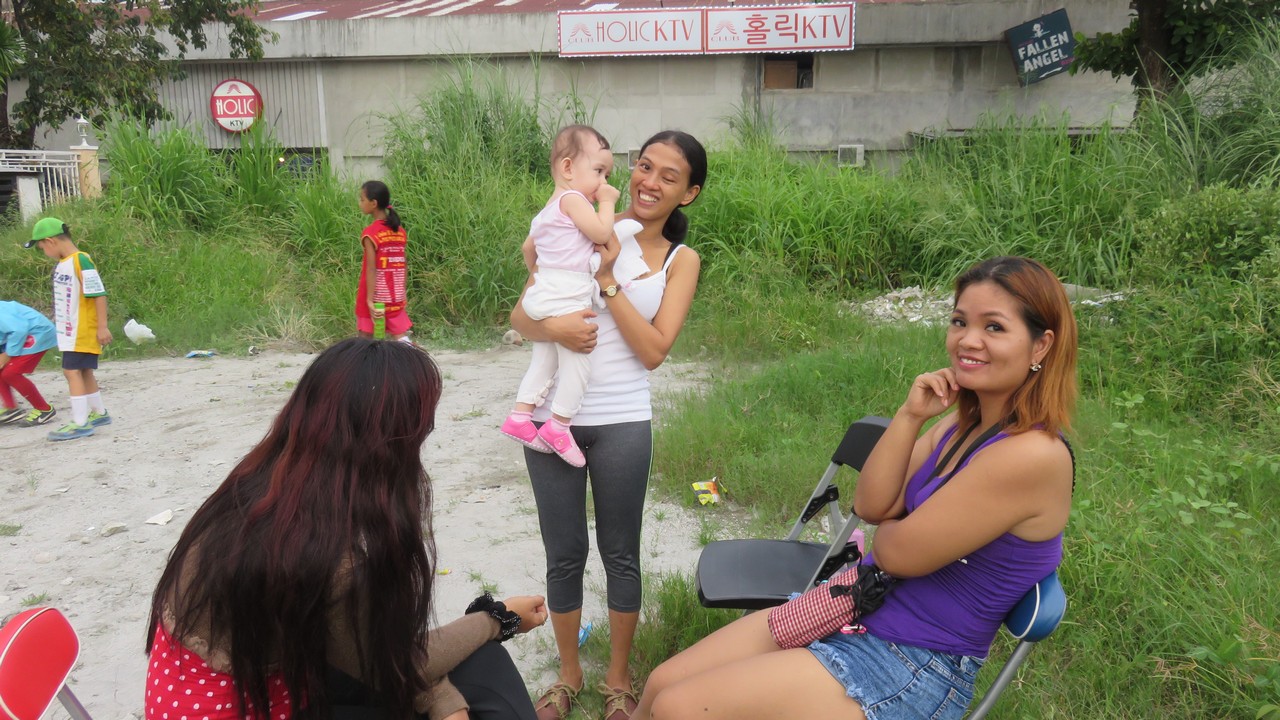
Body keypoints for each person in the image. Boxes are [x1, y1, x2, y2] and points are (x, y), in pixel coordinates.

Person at [633, 256, 1078, 720]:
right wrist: (910, 416)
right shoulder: (963, 424)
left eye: (994, 327)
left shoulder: (1030, 455)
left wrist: (897, 524)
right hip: (854, 605)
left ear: (1041, 345)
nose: (968, 340)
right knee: (662, 683)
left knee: (679, 709)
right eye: (959, 321)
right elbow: (870, 504)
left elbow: (894, 553)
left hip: (912, 664)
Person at [145, 338, 548, 720]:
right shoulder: (330, 559)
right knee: (485, 662)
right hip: (256, 704)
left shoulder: (260, 489)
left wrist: (441, 695)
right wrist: (498, 618)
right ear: (387, 445)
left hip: (259, 685)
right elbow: (399, 664)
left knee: (469, 670)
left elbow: (376, 651)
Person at [510, 130, 707, 720]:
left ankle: (617, 680)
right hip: (551, 420)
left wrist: (607, 282)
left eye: (669, 176)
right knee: (564, 552)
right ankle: (568, 674)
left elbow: (654, 350)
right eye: (644, 166)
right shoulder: (581, 222)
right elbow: (522, 315)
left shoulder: (679, 260)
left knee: (621, 552)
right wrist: (557, 329)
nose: (649, 182)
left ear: (688, 193)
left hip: (622, 419)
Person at [501, 124, 620, 467]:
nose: (603, 182)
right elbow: (601, 231)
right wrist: (608, 203)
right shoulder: (573, 200)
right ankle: (559, 425)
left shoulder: (546, 211)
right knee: (578, 363)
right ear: (568, 168)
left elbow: (528, 249)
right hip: (567, 294)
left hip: (545, 291)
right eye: (599, 171)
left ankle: (520, 416)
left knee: (545, 359)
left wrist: (541, 277)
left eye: (607, 176)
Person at [25, 217, 113, 442]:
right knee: (84, 371)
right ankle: (99, 413)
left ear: (50, 241)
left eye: (42, 247)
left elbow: (98, 294)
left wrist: (102, 327)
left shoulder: (80, 260)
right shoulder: (63, 263)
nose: (44, 252)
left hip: (81, 331)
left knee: (71, 371)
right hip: (69, 331)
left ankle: (80, 423)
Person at [356, 180, 413, 342]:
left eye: (362, 199)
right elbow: (403, 264)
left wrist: (369, 300)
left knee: (366, 337)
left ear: (373, 203)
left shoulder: (371, 233)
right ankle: (413, 355)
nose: (360, 203)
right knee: (399, 335)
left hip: (375, 294)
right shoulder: (399, 231)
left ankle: (366, 359)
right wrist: (402, 290)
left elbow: (371, 269)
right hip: (395, 294)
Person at [0, 300, 58, 427]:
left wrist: (8, 354)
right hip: (20, 334)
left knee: (11, 373)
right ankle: (11, 408)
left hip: (38, 333)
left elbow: (18, 330)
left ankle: (44, 409)